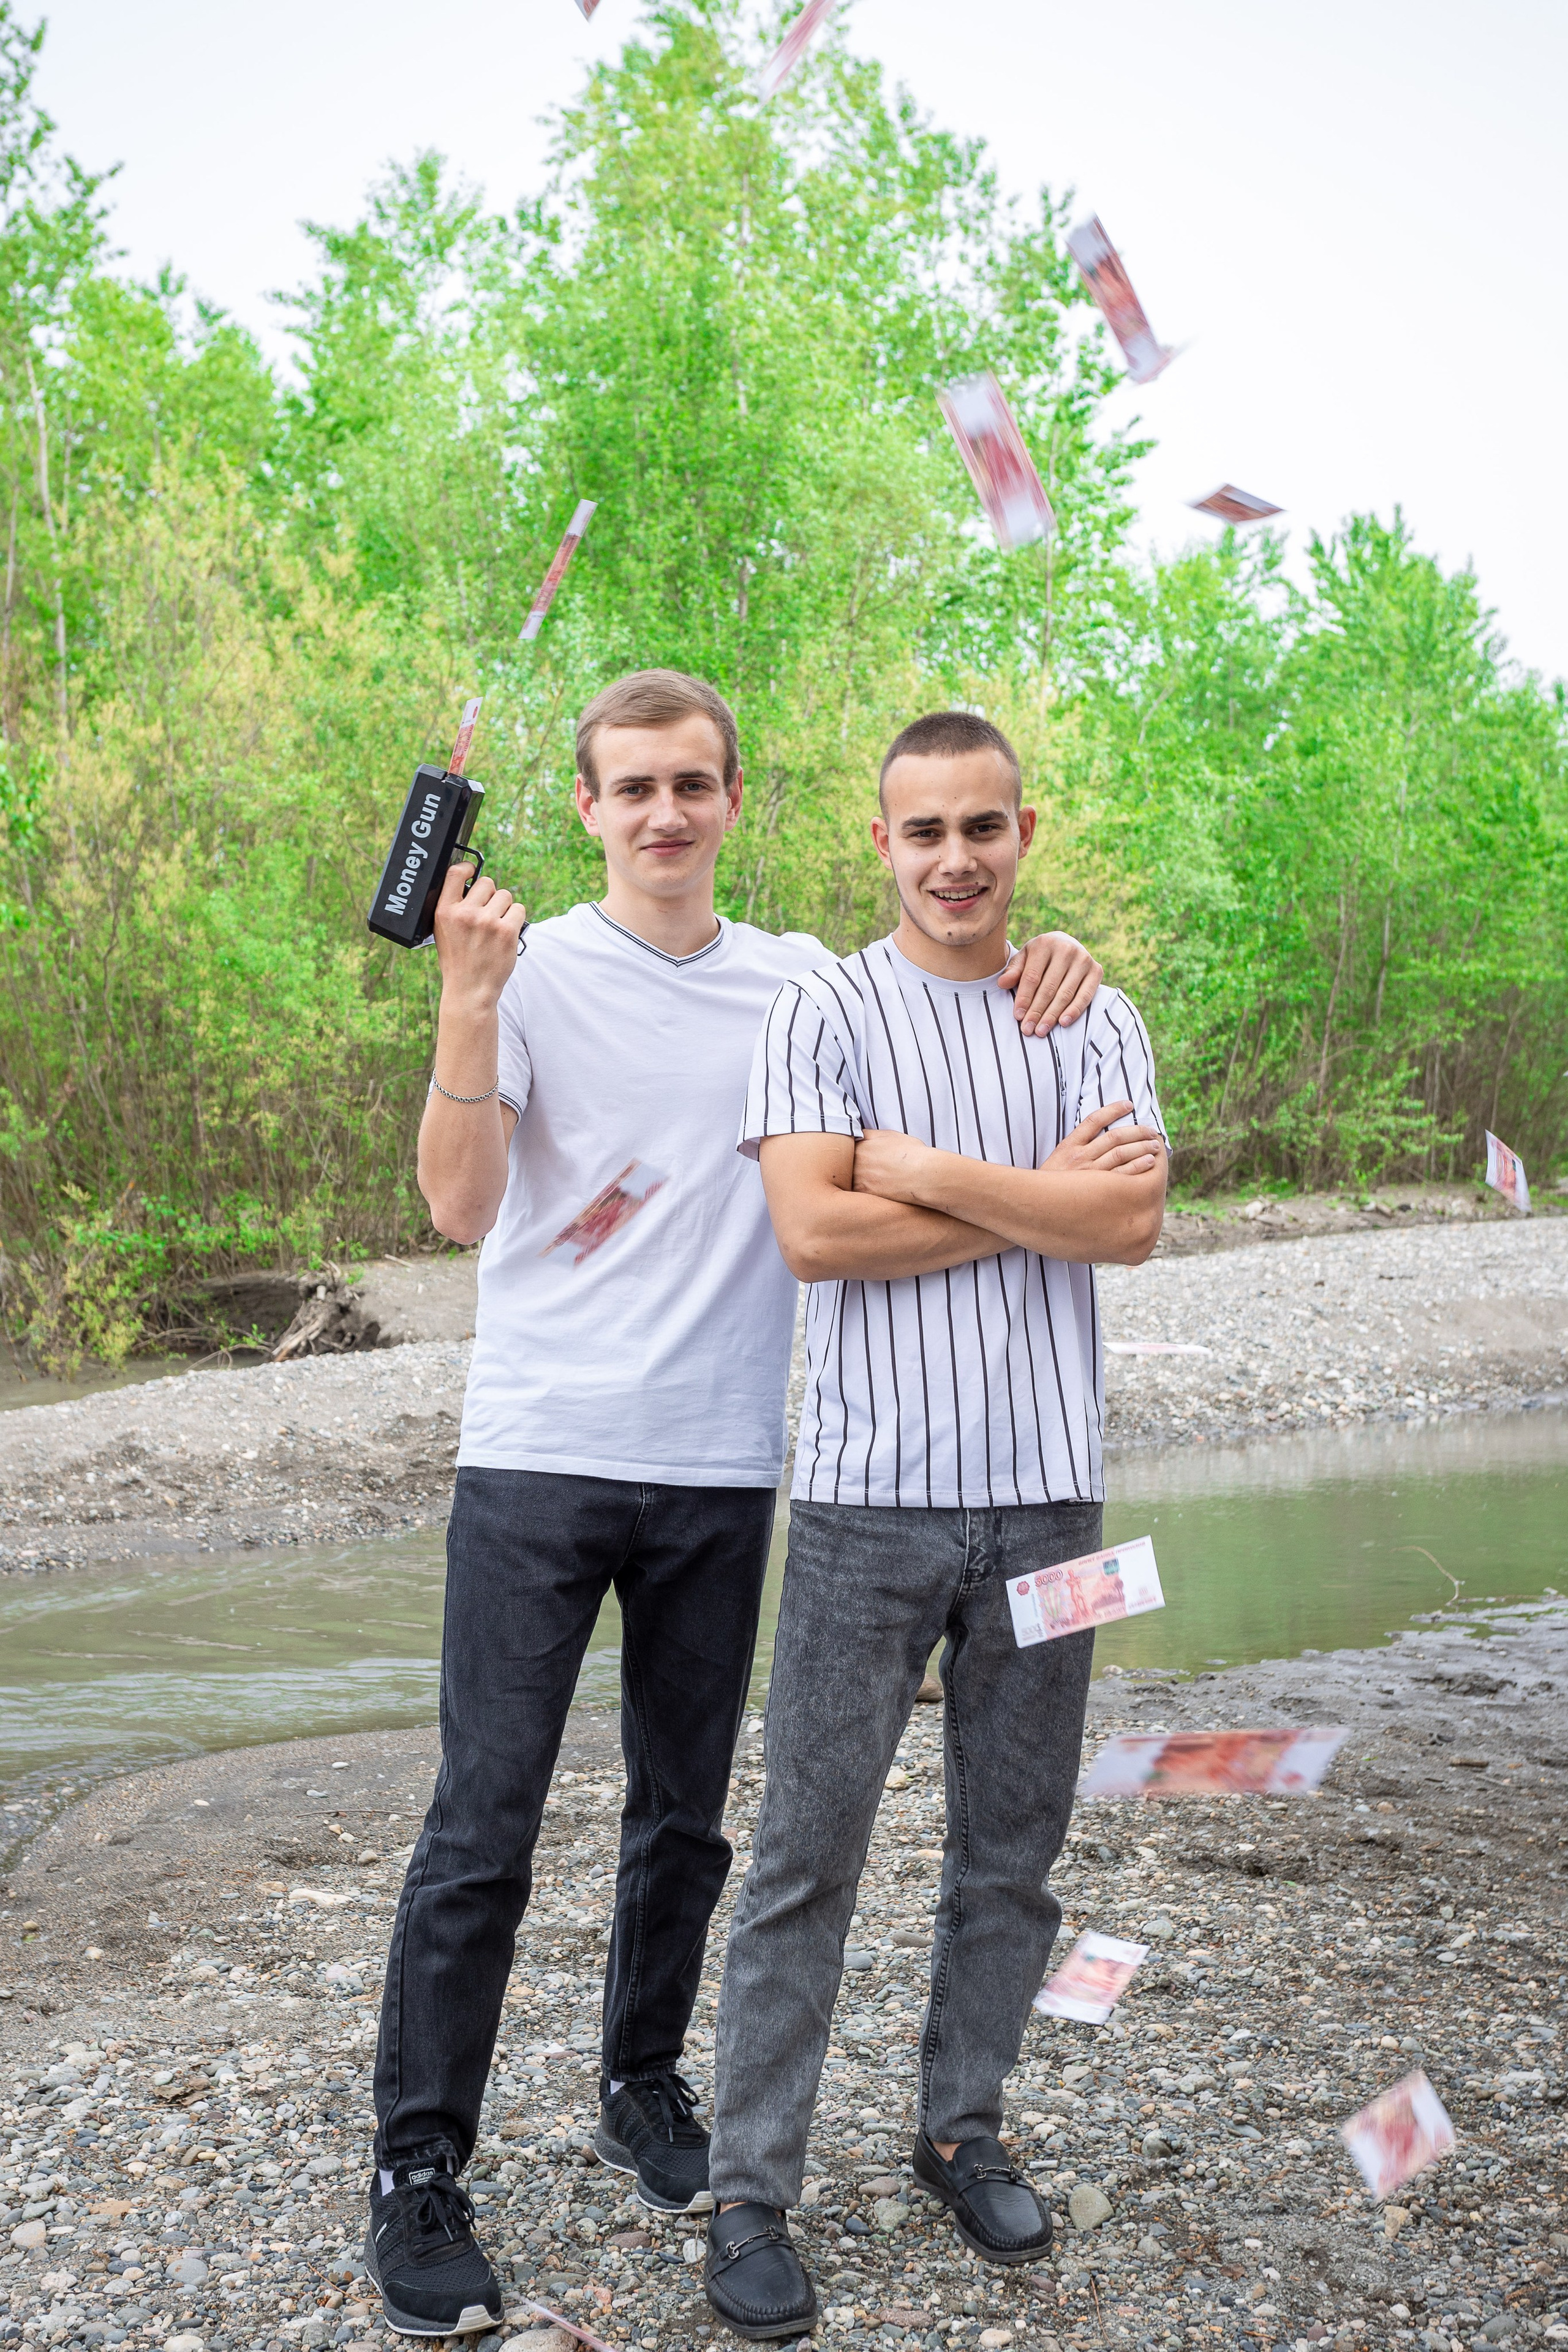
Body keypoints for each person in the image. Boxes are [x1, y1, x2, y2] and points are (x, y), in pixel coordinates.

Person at [361, 669, 1106, 2340]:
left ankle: (643, 2088)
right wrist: (465, 1004)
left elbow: (949, 964)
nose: (665, 814)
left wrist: (1052, 954)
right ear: (586, 807)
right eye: (633, 788)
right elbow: (459, 1209)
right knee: (484, 1822)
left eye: (692, 784)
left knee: (686, 1817)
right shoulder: (525, 966)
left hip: (724, 1464)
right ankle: (419, 2165)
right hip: (542, 1454)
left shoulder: (801, 986)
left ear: (735, 801)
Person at [701, 707, 1168, 2340]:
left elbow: (1130, 1222)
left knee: (1014, 1854)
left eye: (983, 827)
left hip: (1054, 1502)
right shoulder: (823, 1005)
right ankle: (748, 2193)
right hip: (861, 1505)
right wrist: (1031, 1195)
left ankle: (962, 2128)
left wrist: (920, 1168)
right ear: (882, 842)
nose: (955, 859)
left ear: (1023, 833)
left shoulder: (1091, 1011)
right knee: (804, 1856)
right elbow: (815, 1235)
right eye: (925, 831)